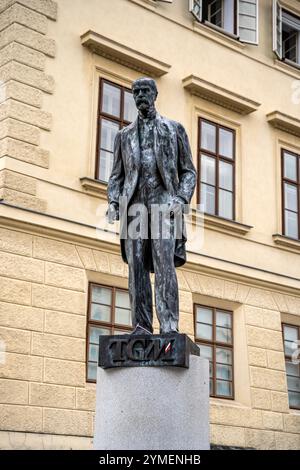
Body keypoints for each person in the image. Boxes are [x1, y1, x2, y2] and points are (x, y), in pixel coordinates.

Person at [107, 77, 196, 334]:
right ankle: (141, 326)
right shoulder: (123, 136)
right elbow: (116, 176)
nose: (140, 96)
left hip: (163, 205)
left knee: (164, 266)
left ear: (155, 94)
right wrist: (114, 201)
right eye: (136, 92)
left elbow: (188, 171)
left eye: (145, 91)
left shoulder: (174, 129)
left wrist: (180, 198)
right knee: (136, 268)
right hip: (134, 207)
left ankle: (169, 326)